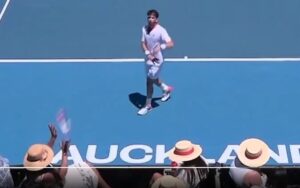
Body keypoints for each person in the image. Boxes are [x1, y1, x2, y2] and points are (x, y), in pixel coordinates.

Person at [138, 9, 174, 116]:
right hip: (148, 59)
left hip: (157, 61)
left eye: (152, 17)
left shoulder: (161, 30)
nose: (150, 19)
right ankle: (166, 89)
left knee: (149, 81)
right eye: (149, 17)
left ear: (156, 20)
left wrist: (162, 46)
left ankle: (148, 105)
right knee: (153, 78)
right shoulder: (144, 28)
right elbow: (142, 42)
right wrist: (147, 53)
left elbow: (171, 43)